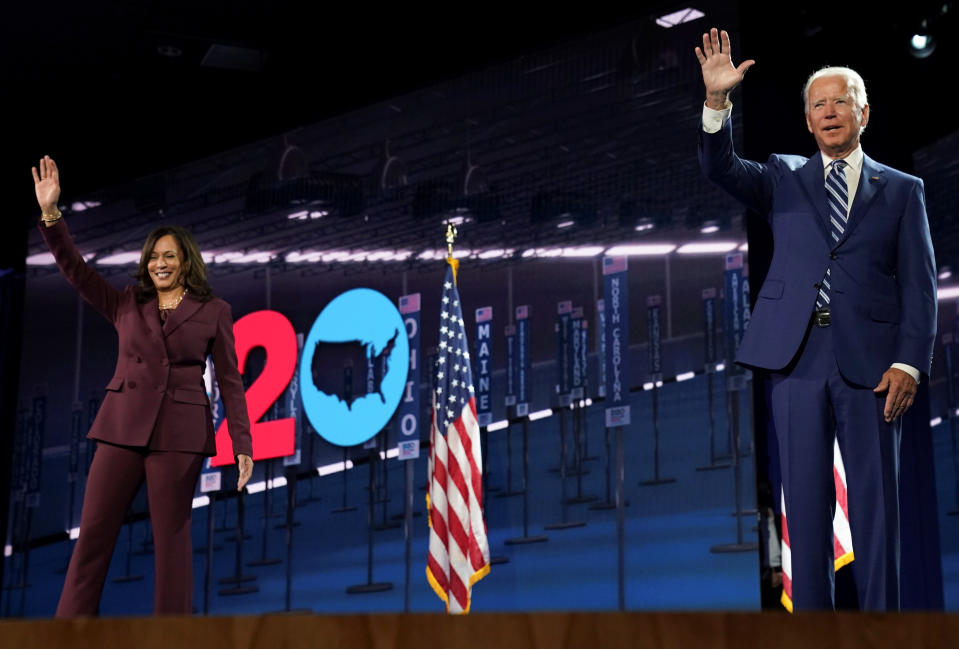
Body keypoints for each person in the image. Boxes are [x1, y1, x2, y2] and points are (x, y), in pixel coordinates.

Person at [695, 29, 937, 611]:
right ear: (807, 120)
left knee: (877, 516)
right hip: (796, 359)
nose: (830, 112)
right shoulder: (782, 176)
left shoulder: (903, 190)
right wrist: (716, 103)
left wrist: (908, 361)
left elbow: (921, 285)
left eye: (841, 101)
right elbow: (719, 166)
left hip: (874, 368)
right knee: (804, 513)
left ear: (864, 113)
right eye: (818, 104)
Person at [32, 155, 255, 616]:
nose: (159, 263)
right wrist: (52, 216)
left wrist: (243, 444)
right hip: (120, 429)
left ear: (186, 261)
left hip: (180, 435)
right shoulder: (126, 302)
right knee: (93, 533)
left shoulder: (215, 310)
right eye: (153, 256)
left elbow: (231, 382)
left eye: (168, 255)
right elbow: (76, 271)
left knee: (172, 541)